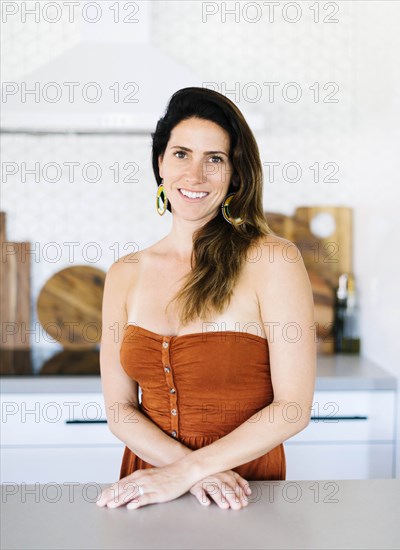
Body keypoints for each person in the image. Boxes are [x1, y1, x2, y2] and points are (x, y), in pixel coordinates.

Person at [96, 87, 316, 511]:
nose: (194, 175)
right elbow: (120, 408)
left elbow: (293, 407)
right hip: (150, 487)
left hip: (243, 492)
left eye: (214, 159)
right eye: (181, 154)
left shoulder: (273, 260)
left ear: (235, 173)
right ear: (159, 163)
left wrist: (185, 474)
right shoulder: (124, 274)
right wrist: (183, 472)